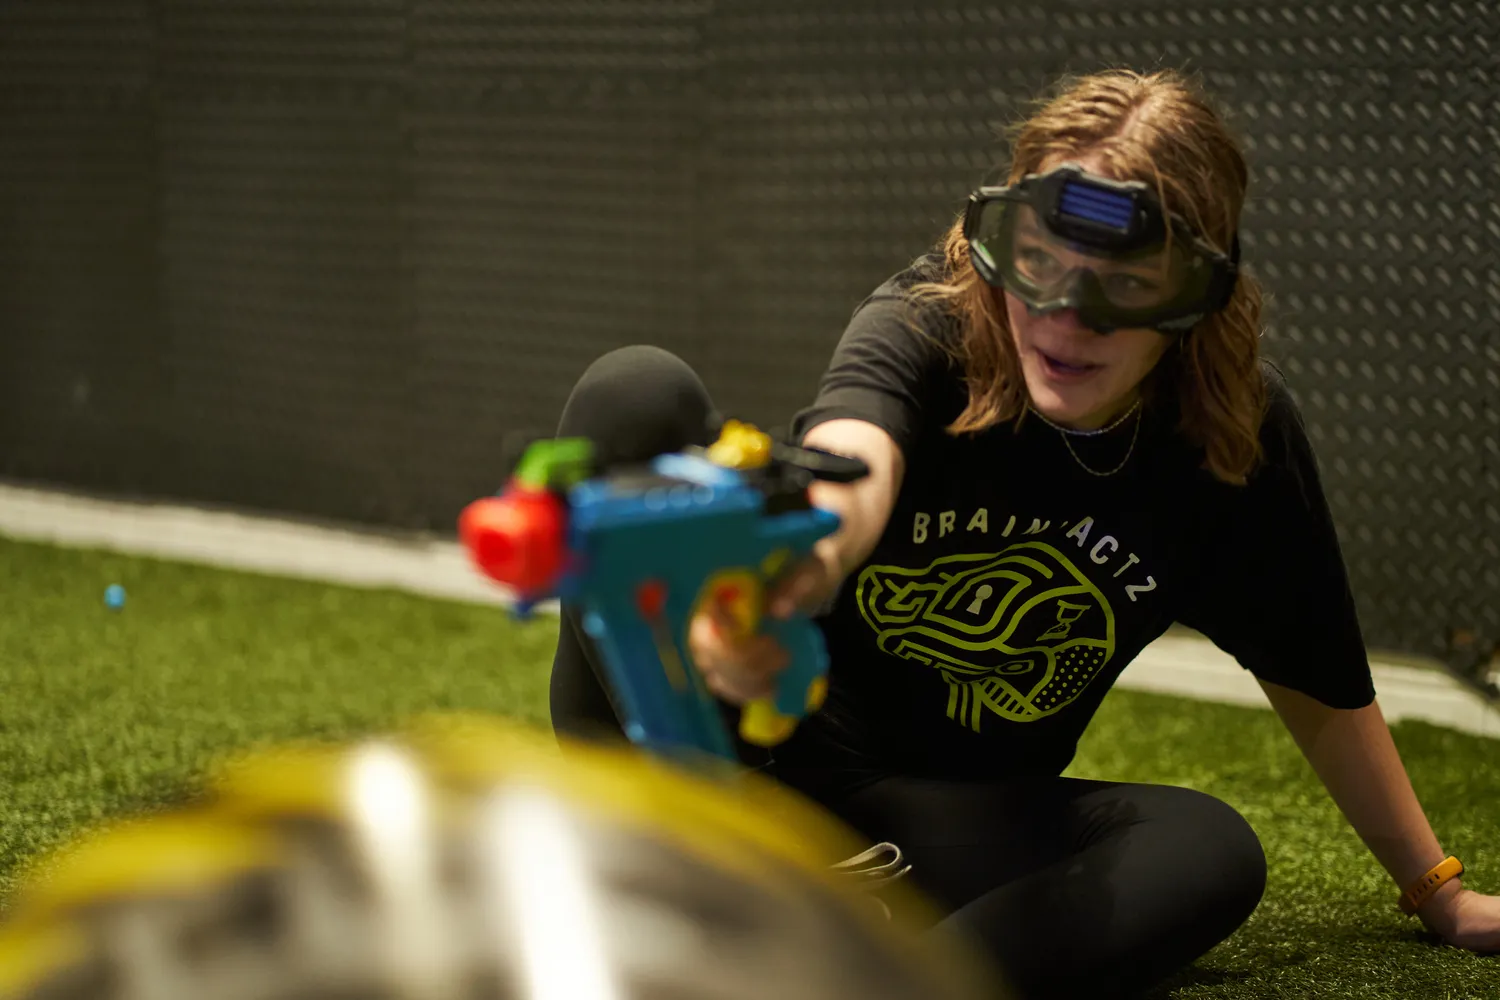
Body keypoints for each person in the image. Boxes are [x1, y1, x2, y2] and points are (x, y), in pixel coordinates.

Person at [547, 68, 1500, 997]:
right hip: (726, 759)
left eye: (1126, 282)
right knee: (637, 389)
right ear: (993, 243)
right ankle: (657, 864)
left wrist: (1438, 893)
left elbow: (1318, 678)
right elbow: (854, 457)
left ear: (1196, 293)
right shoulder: (929, 322)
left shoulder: (1230, 438)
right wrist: (804, 563)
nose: (1064, 317)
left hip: (923, 821)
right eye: (1038, 263)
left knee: (1208, 850)